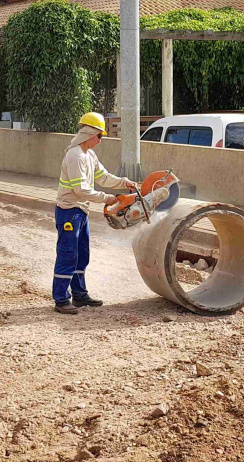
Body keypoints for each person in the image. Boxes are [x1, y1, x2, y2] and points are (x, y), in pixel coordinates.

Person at [53, 112, 136, 314]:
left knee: (82, 255)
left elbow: (103, 177)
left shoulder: (89, 155)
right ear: (90, 133)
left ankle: (80, 295)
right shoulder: (75, 156)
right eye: (99, 136)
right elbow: (81, 190)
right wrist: (107, 198)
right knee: (67, 255)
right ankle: (61, 300)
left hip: (81, 212)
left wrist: (123, 182)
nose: (100, 140)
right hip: (69, 212)